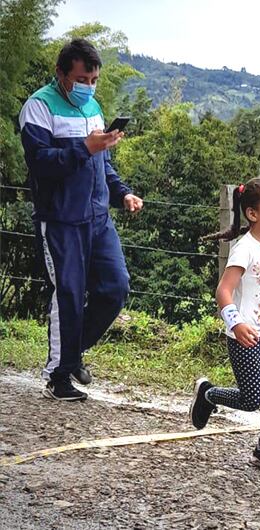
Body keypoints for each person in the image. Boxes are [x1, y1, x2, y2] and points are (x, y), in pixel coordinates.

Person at [19, 38, 144, 401]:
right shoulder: (38, 107)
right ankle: (59, 376)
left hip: (98, 218)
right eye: (82, 79)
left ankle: (71, 354)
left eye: (94, 80)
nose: (88, 87)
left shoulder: (93, 107)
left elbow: (102, 163)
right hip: (60, 219)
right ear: (61, 73)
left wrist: (122, 193)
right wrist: (84, 147)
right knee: (69, 295)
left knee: (116, 287)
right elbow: (40, 163)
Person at [189, 177, 260, 472]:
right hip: (246, 337)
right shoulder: (245, 249)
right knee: (252, 398)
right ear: (253, 213)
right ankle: (208, 395)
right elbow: (223, 291)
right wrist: (236, 324)